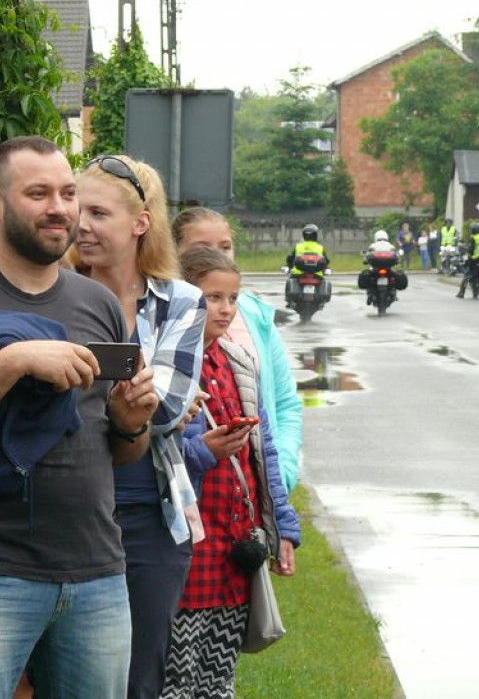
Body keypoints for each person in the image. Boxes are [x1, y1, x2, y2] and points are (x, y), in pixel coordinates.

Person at [0, 136, 160, 699]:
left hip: (97, 570)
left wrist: (131, 421)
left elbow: (122, 448)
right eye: (38, 193)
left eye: (68, 192)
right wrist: (14, 360)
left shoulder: (98, 302)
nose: (60, 207)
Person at [67, 154, 206, 699]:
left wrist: (78, 381)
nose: (81, 225)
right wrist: (123, 398)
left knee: (135, 678)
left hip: (149, 509)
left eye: (98, 212)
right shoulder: (51, 286)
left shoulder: (182, 301)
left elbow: (167, 409)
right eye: (77, 210)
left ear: (140, 222)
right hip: (68, 503)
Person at [161, 246, 300, 699]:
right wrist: (203, 451)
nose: (224, 309)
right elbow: (144, 448)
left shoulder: (239, 360)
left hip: (235, 548)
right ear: (184, 297)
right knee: (175, 679)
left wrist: (282, 527)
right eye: (212, 297)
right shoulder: (165, 362)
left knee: (219, 680)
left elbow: (266, 455)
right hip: (186, 545)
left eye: (232, 298)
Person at [172, 207, 304, 495]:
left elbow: (284, 404)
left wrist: (282, 474)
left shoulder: (256, 316)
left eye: (225, 247)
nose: (217, 256)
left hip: (250, 491)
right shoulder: (163, 329)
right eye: (202, 248)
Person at [457, 221, 479, 299]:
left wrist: (468, 257)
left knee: (467, 275)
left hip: (476, 259)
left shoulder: (474, 238)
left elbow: (470, 250)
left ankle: (461, 292)